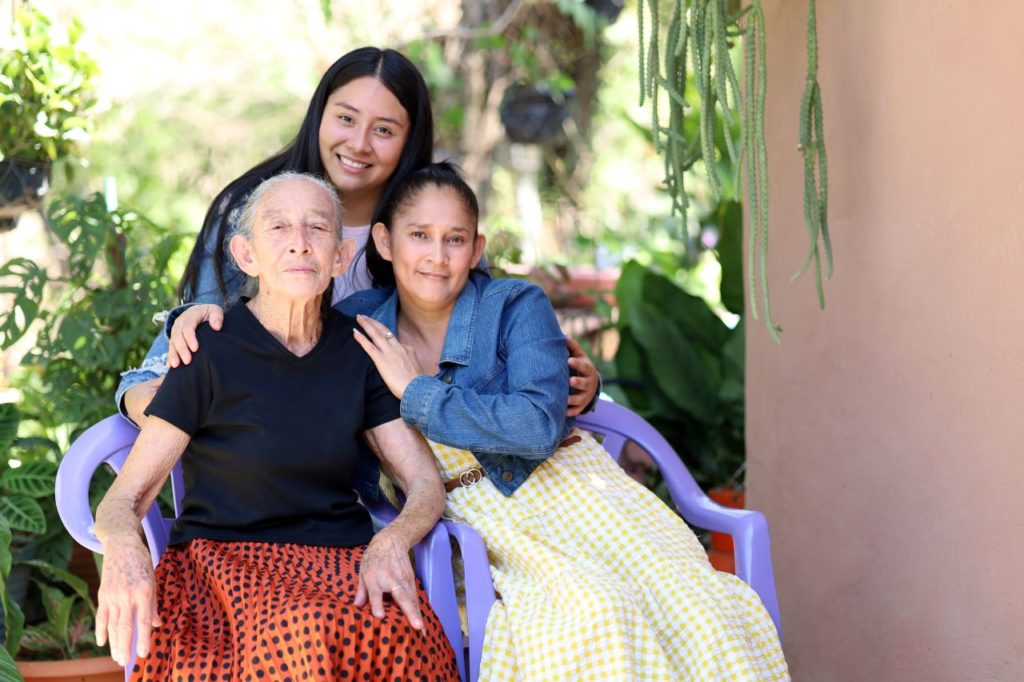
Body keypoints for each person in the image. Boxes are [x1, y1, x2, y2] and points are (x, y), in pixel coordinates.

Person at [340, 163, 791, 681]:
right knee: (595, 611)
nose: (437, 256)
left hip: (577, 490)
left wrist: (417, 393)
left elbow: (536, 425)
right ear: (385, 241)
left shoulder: (515, 304)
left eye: (455, 238)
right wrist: (218, 303)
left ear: (477, 247)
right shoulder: (360, 325)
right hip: (480, 517)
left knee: (702, 608)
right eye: (419, 235)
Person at [94, 173, 460, 682]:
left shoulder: (360, 350)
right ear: (246, 255)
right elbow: (122, 499)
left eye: (317, 227)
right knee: (300, 635)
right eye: (279, 227)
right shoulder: (206, 351)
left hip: (340, 565)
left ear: (339, 255)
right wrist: (124, 547)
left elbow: (424, 484)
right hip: (223, 571)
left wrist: (392, 542)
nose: (298, 242)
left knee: (410, 641)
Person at [116, 46, 599, 429]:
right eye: (345, 118)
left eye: (384, 129)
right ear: (320, 115)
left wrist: (581, 387)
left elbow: (482, 337)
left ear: (409, 139)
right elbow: (187, 338)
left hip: (391, 451)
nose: (359, 143)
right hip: (269, 437)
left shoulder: (426, 224)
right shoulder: (252, 208)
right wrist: (144, 393)